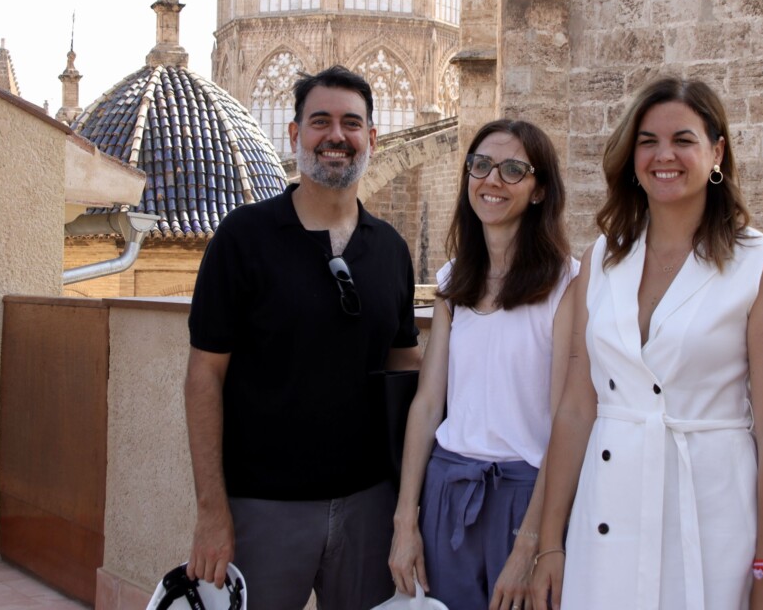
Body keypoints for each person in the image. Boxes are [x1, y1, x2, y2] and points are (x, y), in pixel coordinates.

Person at [531, 78, 763, 610]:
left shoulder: (760, 263)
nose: (664, 156)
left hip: (709, 510)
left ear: (716, 151)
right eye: (648, 141)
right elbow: (577, 408)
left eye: (683, 139)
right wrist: (549, 546)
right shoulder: (603, 259)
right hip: (605, 511)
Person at [185, 65, 421, 610]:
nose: (336, 136)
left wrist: (410, 503)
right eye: (320, 121)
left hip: (369, 508)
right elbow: (204, 377)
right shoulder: (243, 239)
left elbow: (405, 364)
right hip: (263, 510)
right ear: (295, 134)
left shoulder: (390, 250)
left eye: (351, 123)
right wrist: (212, 511)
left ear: (371, 138)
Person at [389, 119, 579, 610]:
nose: (493, 180)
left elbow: (566, 419)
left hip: (525, 494)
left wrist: (530, 543)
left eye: (514, 170)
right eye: (481, 165)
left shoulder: (567, 285)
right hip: (447, 492)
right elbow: (429, 404)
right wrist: (405, 521)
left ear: (539, 191)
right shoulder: (455, 280)